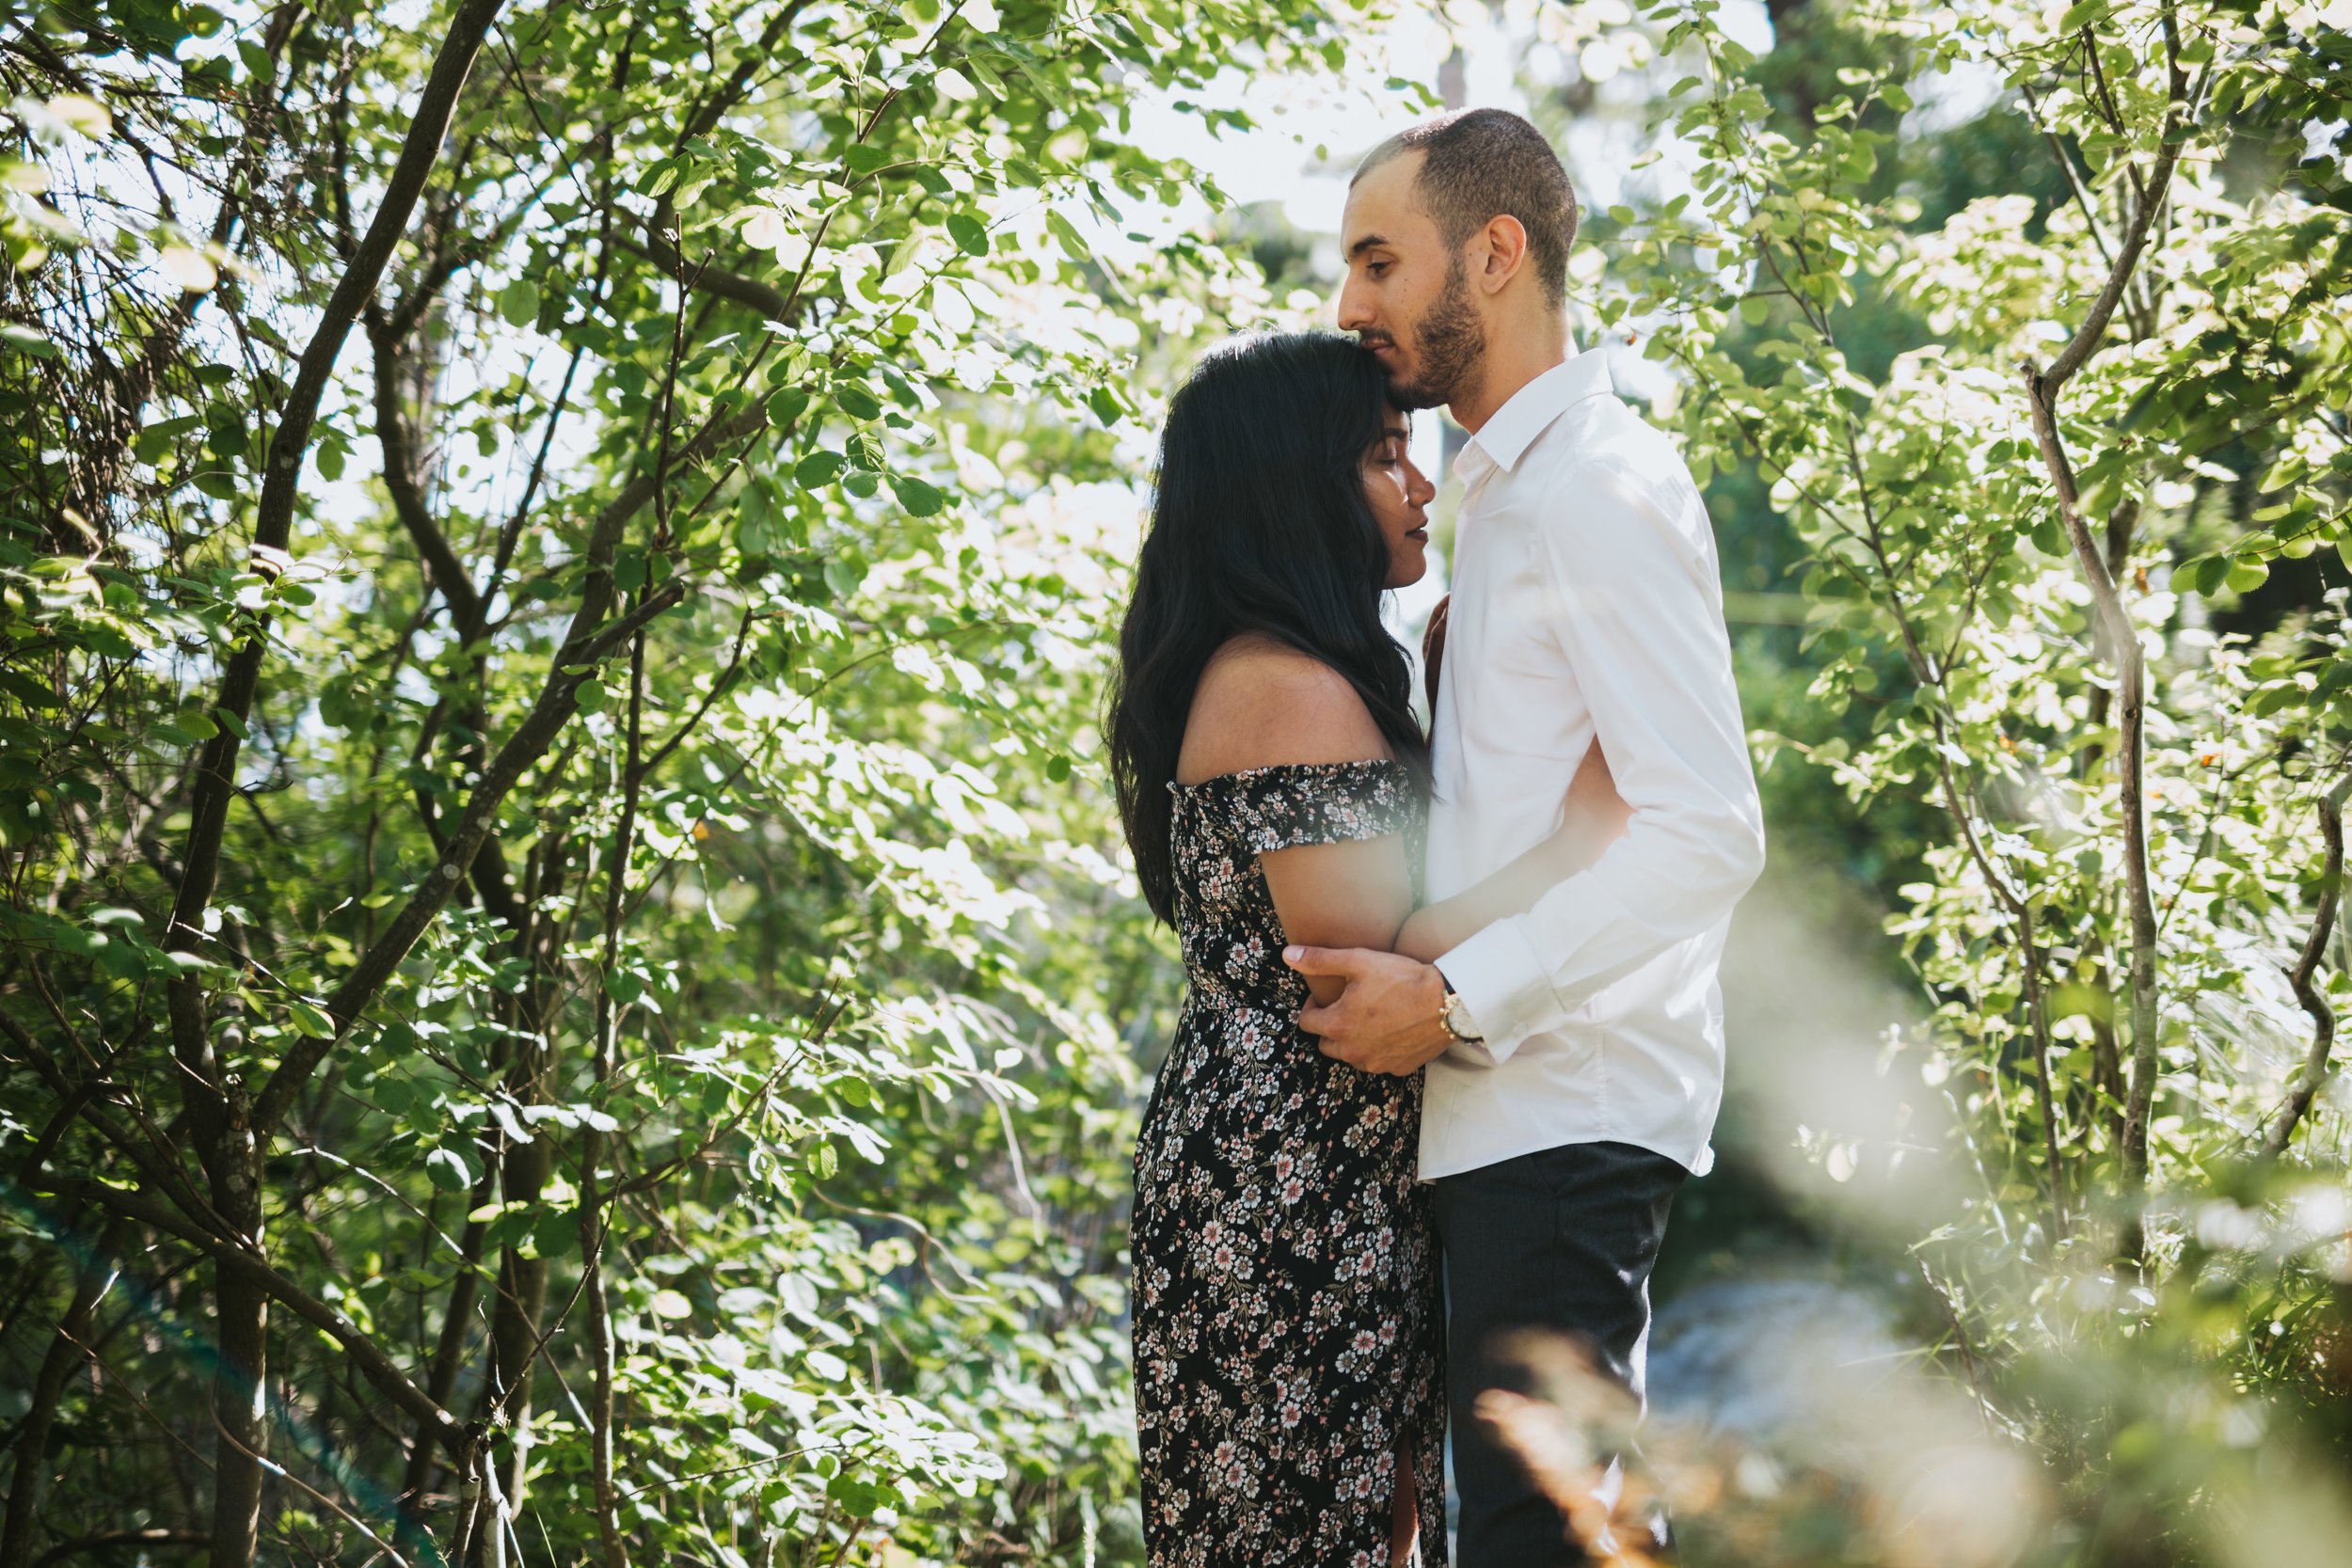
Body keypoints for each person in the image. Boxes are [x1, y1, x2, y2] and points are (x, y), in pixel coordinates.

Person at [1287, 109, 1768, 1563]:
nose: (1351, 304)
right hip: (1499, 1119)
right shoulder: (1492, 505)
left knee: (1550, 1542)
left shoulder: (1595, 488)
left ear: (1495, 256)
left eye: (1380, 261)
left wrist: (1454, 999)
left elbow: (1706, 829)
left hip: (1567, 1104)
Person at [1107, 332, 1629, 1567]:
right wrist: (1578, 838)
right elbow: (1369, 976)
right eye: (1387, 456)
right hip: (1280, 1197)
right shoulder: (1283, 684)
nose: (1422, 486)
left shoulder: (1296, 677)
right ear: (1293, 485)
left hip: (1319, 1184)